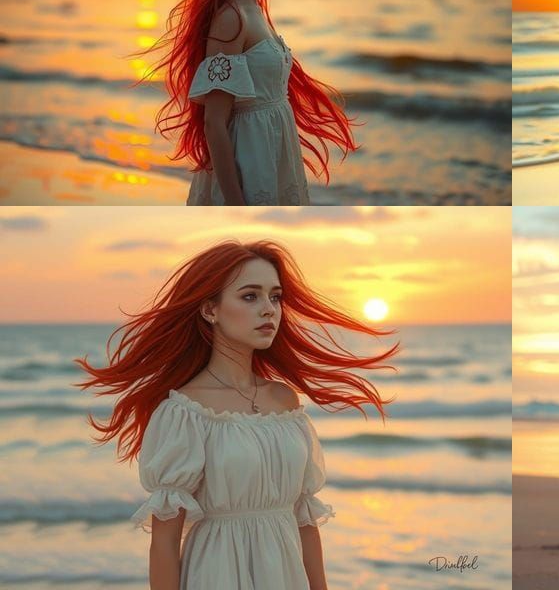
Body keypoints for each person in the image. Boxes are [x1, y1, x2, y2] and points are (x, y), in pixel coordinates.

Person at [74, 240, 400, 589]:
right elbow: (165, 543)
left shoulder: (284, 401)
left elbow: (305, 523)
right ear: (210, 310)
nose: (269, 310)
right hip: (217, 575)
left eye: (275, 297)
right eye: (250, 296)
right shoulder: (185, 412)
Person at [135, 0, 357, 205]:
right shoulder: (231, 18)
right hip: (248, 161)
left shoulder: (255, 10)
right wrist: (235, 203)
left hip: (272, 153)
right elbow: (214, 122)